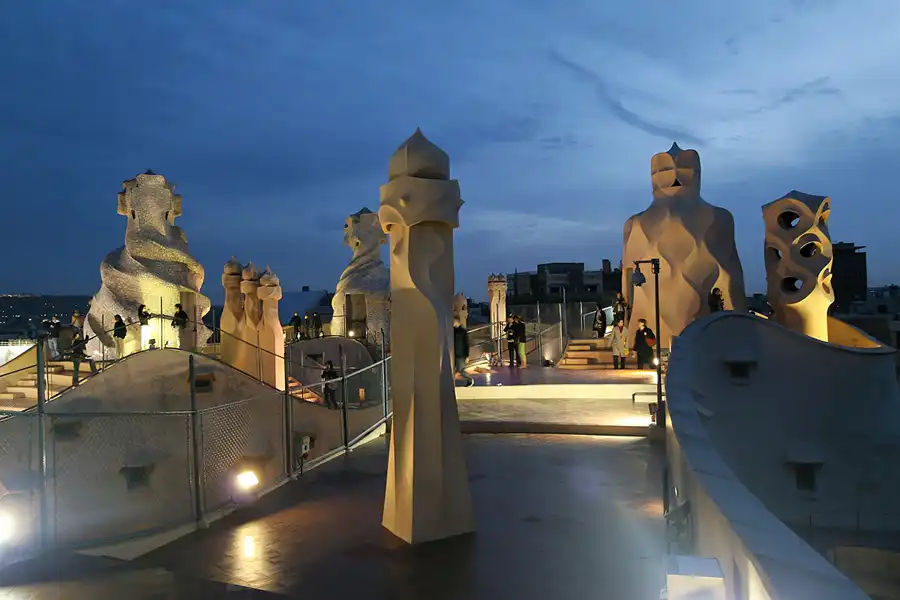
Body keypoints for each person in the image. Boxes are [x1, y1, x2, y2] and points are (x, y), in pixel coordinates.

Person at [453, 317, 475, 386]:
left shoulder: (462, 331)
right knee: (456, 369)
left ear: (458, 322)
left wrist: (467, 355)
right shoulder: (453, 331)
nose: (453, 323)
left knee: (460, 370)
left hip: (461, 354)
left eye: (454, 321)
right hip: (455, 353)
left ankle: (470, 379)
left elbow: (466, 344)